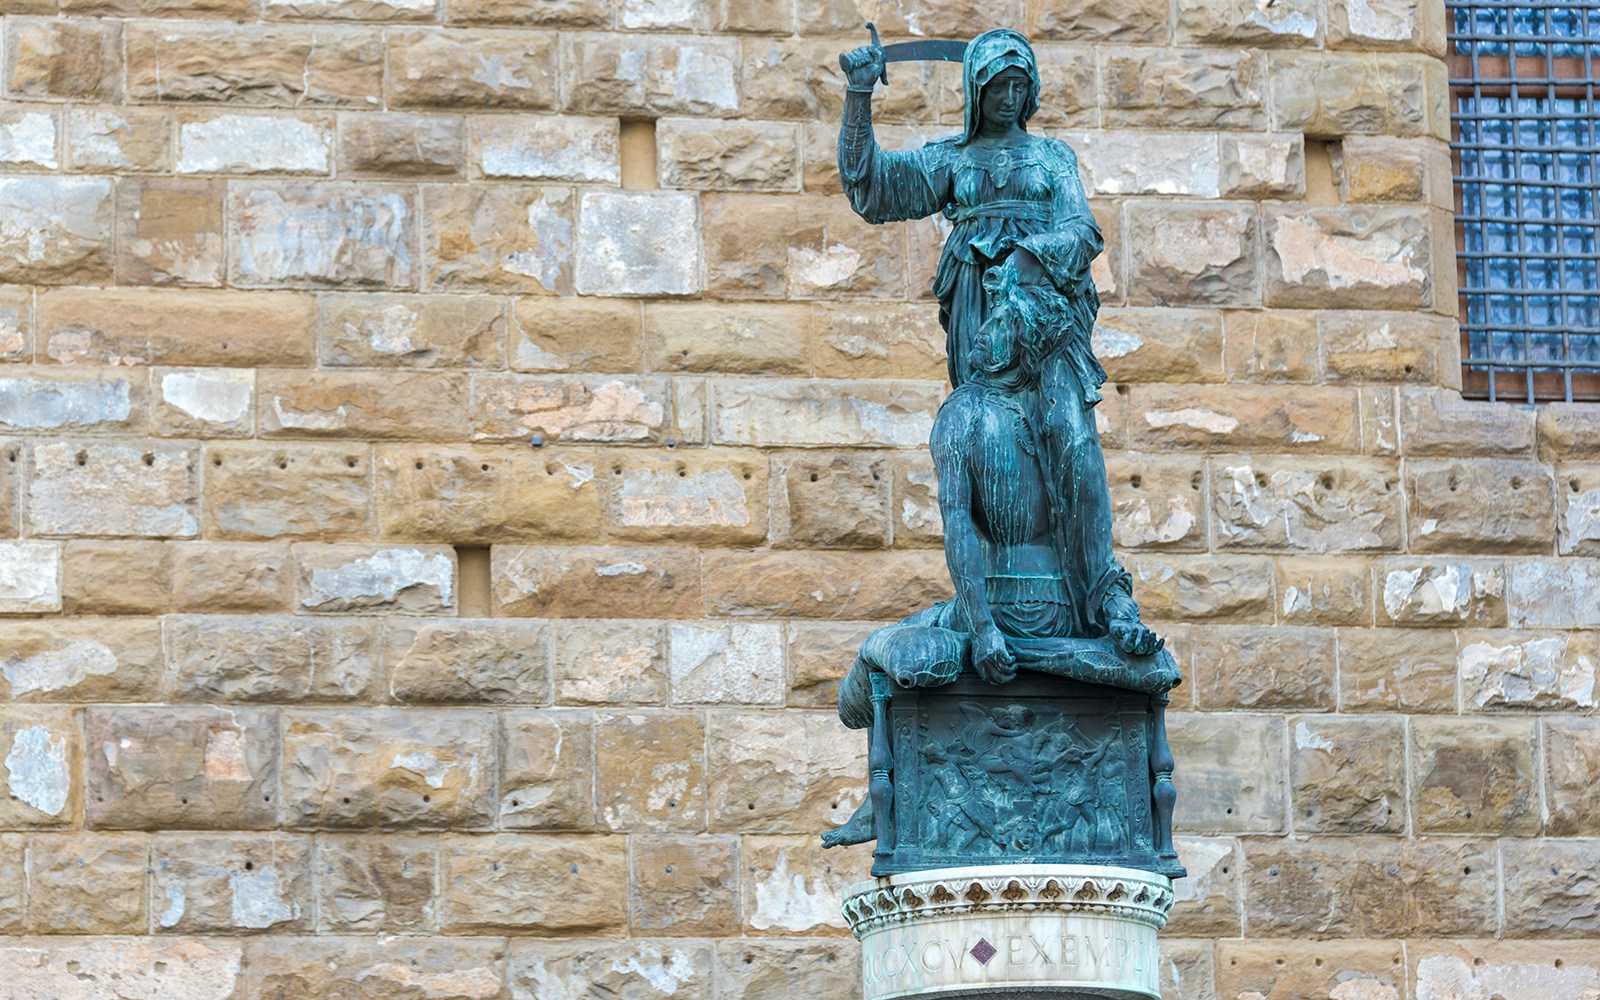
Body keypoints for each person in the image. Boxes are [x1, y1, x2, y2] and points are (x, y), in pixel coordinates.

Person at [837, 28, 1155, 652]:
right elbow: (871, 189)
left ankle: (1106, 597)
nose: (1008, 98)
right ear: (974, 92)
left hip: (1048, 317)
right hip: (979, 316)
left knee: (1072, 435)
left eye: (1018, 86)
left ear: (1031, 90)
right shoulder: (952, 160)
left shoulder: (1052, 158)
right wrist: (858, 93)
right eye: (996, 87)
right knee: (987, 444)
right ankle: (988, 605)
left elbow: (1083, 231)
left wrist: (1031, 257)